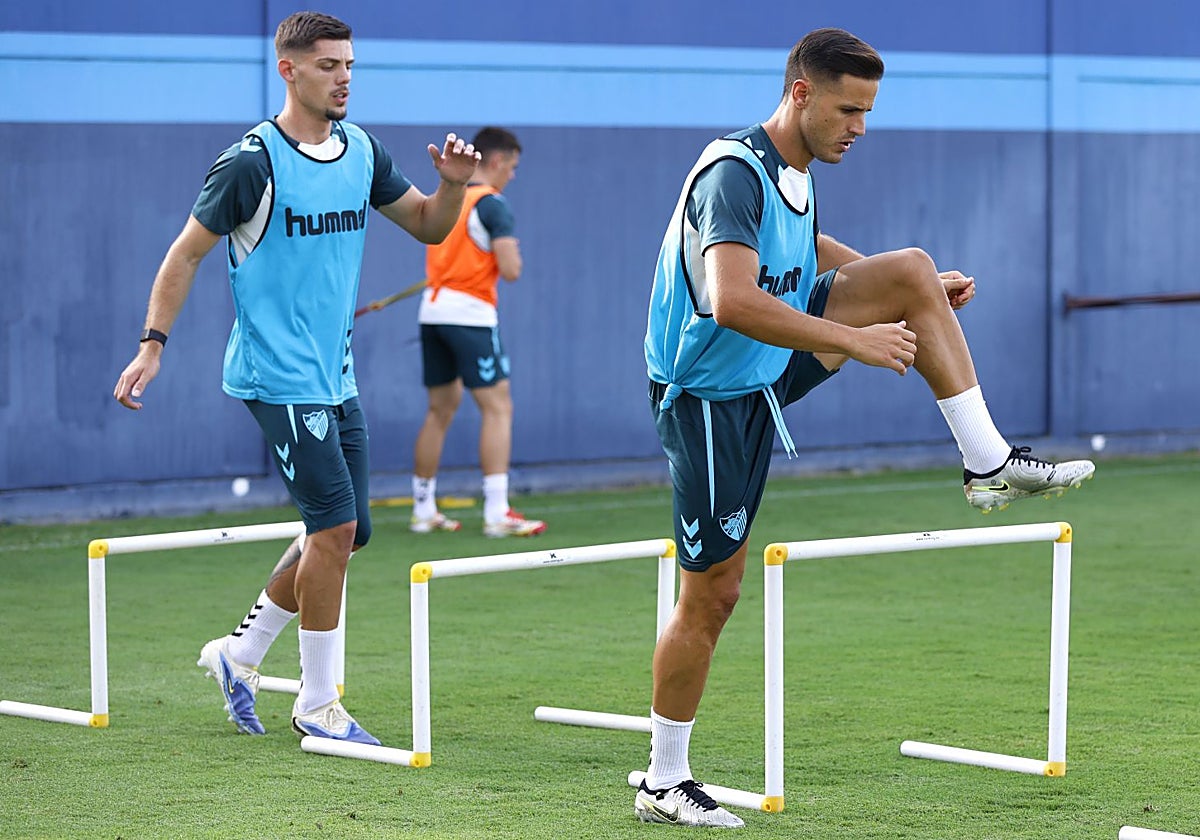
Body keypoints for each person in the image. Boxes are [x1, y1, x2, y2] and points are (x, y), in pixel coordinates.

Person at [636, 28, 1095, 828]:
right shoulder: (732, 173)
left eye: (869, 111)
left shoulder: (795, 172)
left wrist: (896, 291)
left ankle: (987, 462)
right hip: (708, 395)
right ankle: (662, 781)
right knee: (713, 595)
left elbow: (802, 249)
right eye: (849, 109)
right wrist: (858, 336)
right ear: (802, 93)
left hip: (757, 369)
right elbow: (733, 298)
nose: (860, 127)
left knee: (913, 268)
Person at [113, 11, 481, 745]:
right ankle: (317, 702)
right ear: (289, 70)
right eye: (327, 66)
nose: (343, 77)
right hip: (275, 377)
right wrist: (153, 344)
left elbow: (429, 226)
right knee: (333, 526)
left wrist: (452, 187)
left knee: (348, 533)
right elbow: (185, 254)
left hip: (332, 374)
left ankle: (239, 654)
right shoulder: (251, 162)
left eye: (349, 65)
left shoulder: (362, 151)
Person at [408, 126, 547, 538]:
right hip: (470, 314)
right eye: (513, 167)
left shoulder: (449, 199)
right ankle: (496, 511)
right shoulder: (492, 205)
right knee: (498, 407)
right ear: (498, 161)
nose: (513, 176)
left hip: (433, 312)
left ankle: (423, 509)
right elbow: (512, 270)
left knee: (439, 409)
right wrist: (511, 252)